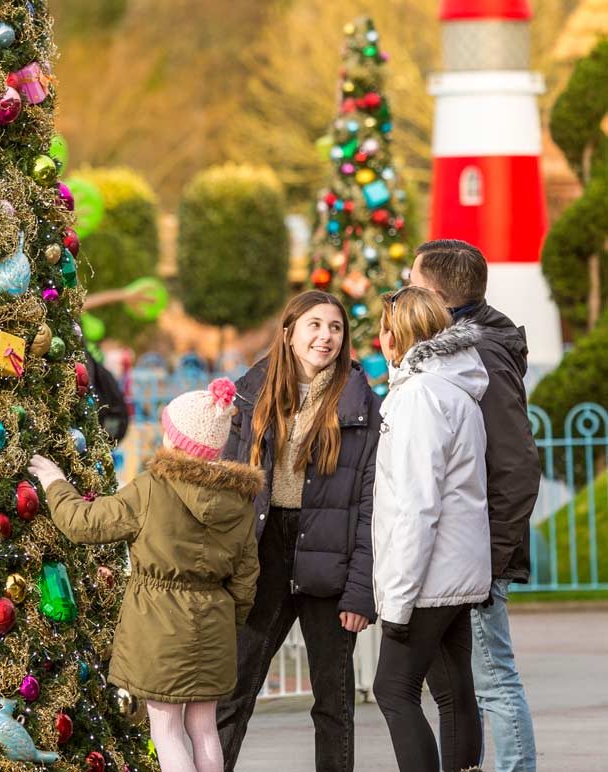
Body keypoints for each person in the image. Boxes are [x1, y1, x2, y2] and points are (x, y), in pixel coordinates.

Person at [27, 378, 262, 772]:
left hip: (160, 624)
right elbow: (246, 576)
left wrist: (55, 483)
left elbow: (84, 523)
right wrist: (230, 620)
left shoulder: (152, 488)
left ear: (175, 441)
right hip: (214, 624)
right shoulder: (239, 500)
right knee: (204, 727)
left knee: (166, 728)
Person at [215, 290, 381, 772]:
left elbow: (370, 505)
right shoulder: (253, 392)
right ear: (289, 332)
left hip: (330, 555)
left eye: (334, 327)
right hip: (265, 550)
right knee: (234, 689)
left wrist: (358, 592)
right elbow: (228, 482)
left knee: (333, 703)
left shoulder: (360, 405)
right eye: (314, 325)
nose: (325, 336)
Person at [410, 239, 540, 772]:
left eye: (413, 286)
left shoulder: (481, 354)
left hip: (479, 552)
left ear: (437, 296)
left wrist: (491, 556)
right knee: (467, 682)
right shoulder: (470, 344)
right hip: (467, 549)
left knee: (493, 679)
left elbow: (515, 465)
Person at [371, 286, 490, 772]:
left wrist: (397, 599)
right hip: (455, 573)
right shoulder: (453, 389)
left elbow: (417, 505)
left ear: (395, 336)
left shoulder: (419, 396)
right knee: (451, 689)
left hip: (427, 578)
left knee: (393, 690)